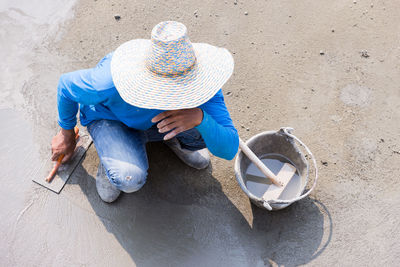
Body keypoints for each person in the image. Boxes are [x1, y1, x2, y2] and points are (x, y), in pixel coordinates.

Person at [51, 21, 239, 203]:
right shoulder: (109, 81)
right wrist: (66, 134)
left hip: (159, 122)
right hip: (111, 119)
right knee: (129, 179)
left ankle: (173, 139)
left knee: (209, 129)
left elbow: (230, 148)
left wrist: (200, 118)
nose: (177, 94)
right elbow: (66, 86)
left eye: (183, 89)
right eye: (173, 90)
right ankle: (112, 157)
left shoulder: (204, 87)